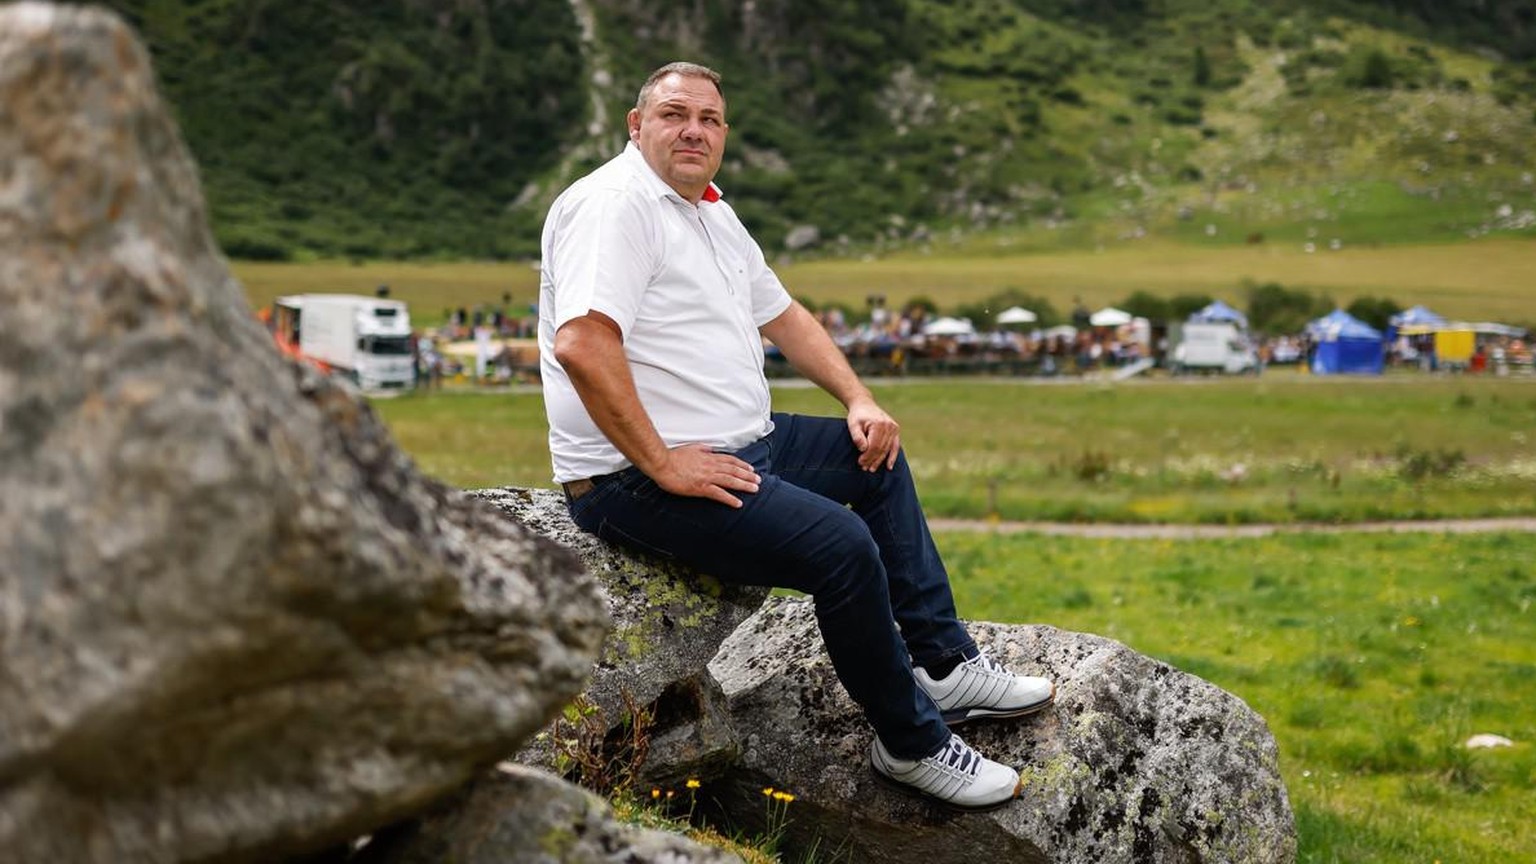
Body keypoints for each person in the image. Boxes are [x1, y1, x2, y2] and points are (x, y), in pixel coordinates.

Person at [537, 61, 1055, 812]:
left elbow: (783, 316)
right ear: (635, 124)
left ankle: (944, 666)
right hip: (634, 478)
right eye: (674, 114)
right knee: (841, 548)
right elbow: (583, 344)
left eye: (709, 119)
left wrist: (858, 397)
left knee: (874, 458)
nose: (693, 130)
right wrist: (661, 463)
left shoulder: (709, 209)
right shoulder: (615, 207)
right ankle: (909, 746)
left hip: (747, 439)